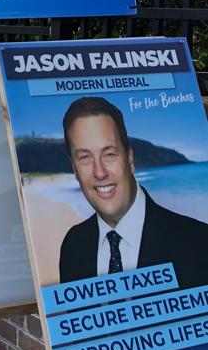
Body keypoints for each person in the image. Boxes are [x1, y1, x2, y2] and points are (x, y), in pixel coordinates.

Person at [58, 96, 208, 289]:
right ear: (74, 168)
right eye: (85, 157)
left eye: (109, 154)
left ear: (129, 159)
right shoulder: (73, 245)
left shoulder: (198, 241)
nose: (100, 172)